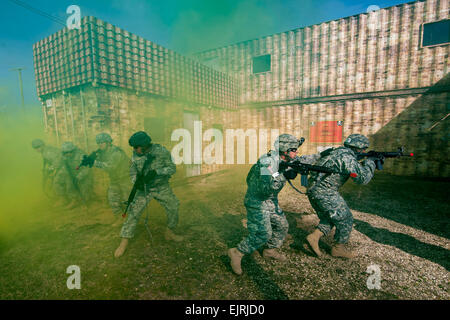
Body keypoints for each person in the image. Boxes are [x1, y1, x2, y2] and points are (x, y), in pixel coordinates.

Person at [227, 134, 303, 275]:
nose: (296, 152)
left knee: (282, 225)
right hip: (256, 201)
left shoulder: (286, 158)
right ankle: (237, 252)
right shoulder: (266, 162)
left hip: (269, 201)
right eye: (294, 149)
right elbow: (265, 188)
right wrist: (284, 176)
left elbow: (302, 160)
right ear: (285, 150)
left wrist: (322, 155)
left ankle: (269, 250)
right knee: (263, 233)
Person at [305, 134, 378, 259]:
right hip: (325, 192)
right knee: (346, 219)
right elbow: (362, 179)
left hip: (313, 190)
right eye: (363, 149)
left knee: (332, 217)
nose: (364, 151)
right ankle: (338, 248)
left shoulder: (337, 152)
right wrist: (371, 163)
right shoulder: (347, 158)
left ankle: (314, 237)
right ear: (358, 148)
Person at [114, 131, 183, 258]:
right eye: (133, 148)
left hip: (161, 187)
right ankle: (124, 241)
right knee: (133, 213)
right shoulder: (136, 155)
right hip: (144, 189)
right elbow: (132, 172)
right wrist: (136, 182)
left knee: (174, 206)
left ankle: (169, 231)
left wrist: (157, 172)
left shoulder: (161, 151)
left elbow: (172, 168)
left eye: (136, 147)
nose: (134, 150)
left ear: (145, 145)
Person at [81, 133, 131, 216]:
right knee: (113, 200)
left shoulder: (116, 152)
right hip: (115, 179)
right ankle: (119, 218)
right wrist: (89, 159)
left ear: (108, 143)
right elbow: (99, 159)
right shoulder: (102, 152)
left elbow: (110, 167)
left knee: (127, 201)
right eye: (98, 143)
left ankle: (131, 220)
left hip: (125, 179)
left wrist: (94, 162)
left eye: (102, 142)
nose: (100, 144)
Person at [59, 142, 94, 209]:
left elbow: (87, 169)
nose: (68, 154)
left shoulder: (81, 155)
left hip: (84, 175)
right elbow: (64, 167)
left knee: (84, 188)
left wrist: (78, 177)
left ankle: (85, 202)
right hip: (73, 174)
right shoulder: (65, 157)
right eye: (66, 153)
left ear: (73, 150)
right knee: (69, 185)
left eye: (69, 152)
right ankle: (74, 200)